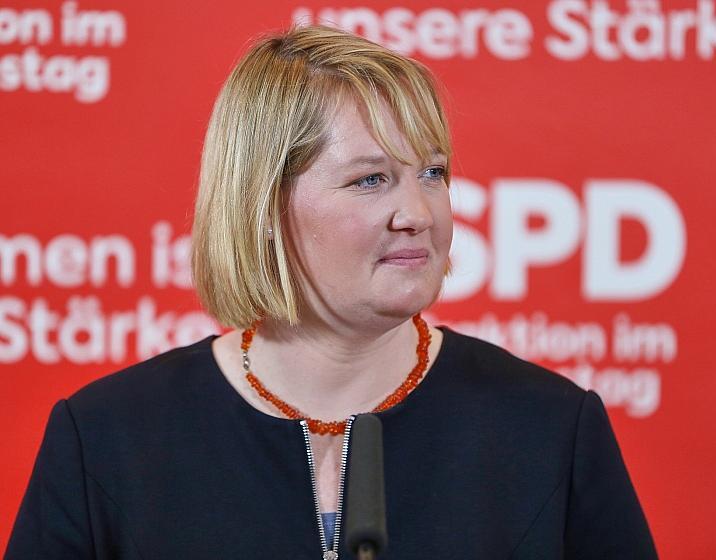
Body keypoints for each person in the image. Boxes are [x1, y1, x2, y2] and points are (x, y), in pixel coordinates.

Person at [5, 25, 658, 559]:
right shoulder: (108, 437)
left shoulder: (550, 428)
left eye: (432, 173)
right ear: (262, 205)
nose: (418, 213)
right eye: (371, 180)